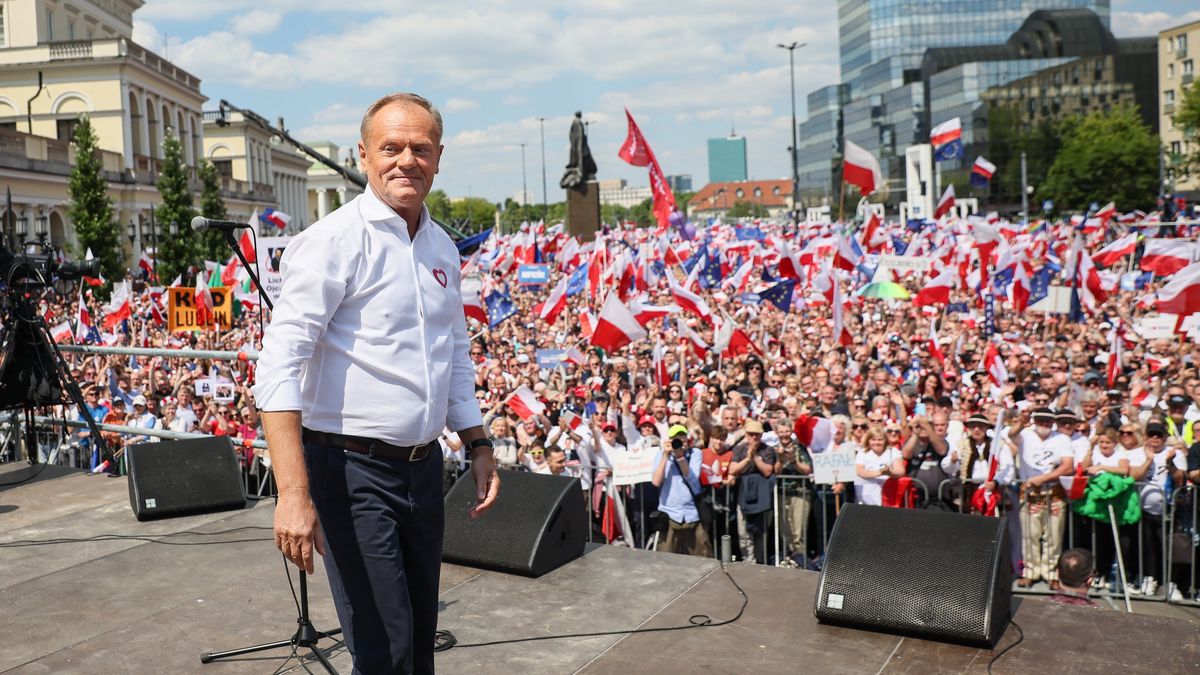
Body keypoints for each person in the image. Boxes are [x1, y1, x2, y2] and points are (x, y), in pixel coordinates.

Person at [254, 93, 499, 675]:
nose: (405, 160)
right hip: (351, 471)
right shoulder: (330, 242)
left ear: (439, 158)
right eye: (390, 147)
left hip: (422, 468)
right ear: (363, 155)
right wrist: (293, 494)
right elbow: (278, 368)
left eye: (420, 148)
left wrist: (477, 440)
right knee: (383, 648)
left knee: (416, 641)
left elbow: (453, 353)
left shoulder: (442, 246)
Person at [1011, 407, 1075, 590]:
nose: (1044, 423)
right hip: (1030, 493)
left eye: (1047, 420)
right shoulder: (1025, 435)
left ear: (1053, 421)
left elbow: (1068, 466)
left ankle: (1051, 572)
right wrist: (1021, 421)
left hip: (1053, 491)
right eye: (1040, 420)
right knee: (1030, 536)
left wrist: (1043, 478)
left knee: (1053, 536)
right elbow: (1011, 434)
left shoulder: (1061, 438)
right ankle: (1030, 572)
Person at [651, 424, 708, 557]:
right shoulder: (661, 455)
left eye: (682, 436)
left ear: (687, 438)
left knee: (701, 560)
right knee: (667, 560)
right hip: (670, 514)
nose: (679, 440)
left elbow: (691, 477)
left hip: (692, 514)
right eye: (675, 437)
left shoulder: (695, 453)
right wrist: (665, 455)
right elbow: (656, 481)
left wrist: (680, 456)